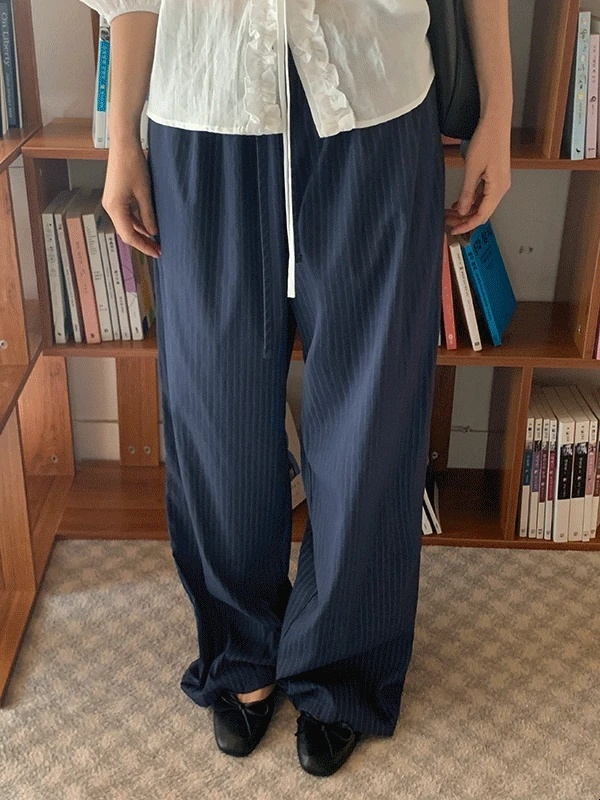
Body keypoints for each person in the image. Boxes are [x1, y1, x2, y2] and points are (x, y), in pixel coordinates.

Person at [79, 0, 512, 778]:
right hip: (204, 98)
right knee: (214, 409)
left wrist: (499, 116)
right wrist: (121, 139)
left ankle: (341, 664)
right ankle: (241, 648)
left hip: (373, 95)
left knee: (372, 408)